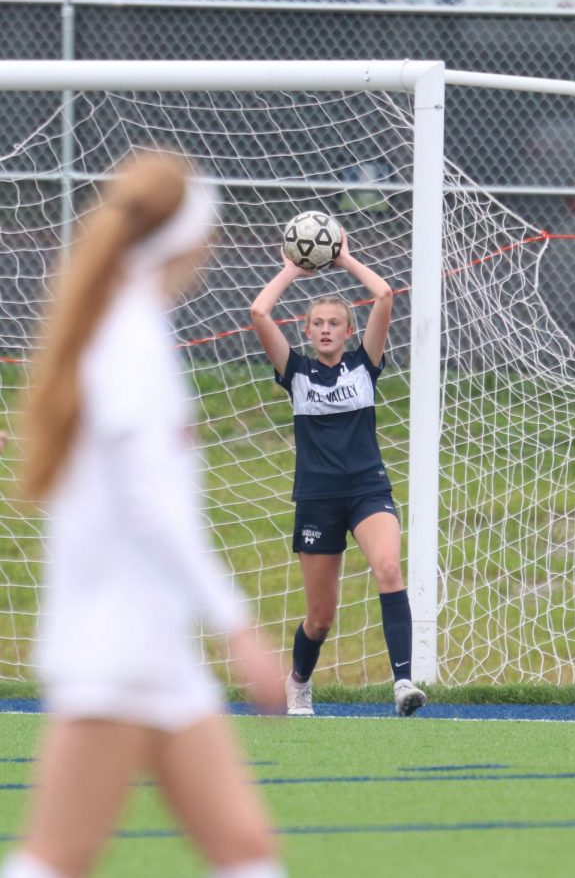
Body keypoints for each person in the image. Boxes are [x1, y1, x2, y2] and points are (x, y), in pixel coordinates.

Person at [1, 153, 286, 878]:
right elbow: (152, 506)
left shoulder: (120, 326)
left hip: (154, 647)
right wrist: (238, 627)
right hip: (119, 648)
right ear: (186, 241)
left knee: (245, 848)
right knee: (56, 859)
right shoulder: (131, 342)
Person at [251, 229, 427, 718]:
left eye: (334, 323)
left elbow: (384, 295)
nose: (326, 329)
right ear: (307, 331)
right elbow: (259, 313)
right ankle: (300, 682)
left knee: (389, 569)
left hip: (368, 490)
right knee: (321, 617)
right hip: (317, 499)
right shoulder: (297, 372)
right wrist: (294, 266)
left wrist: (344, 258)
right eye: (318, 323)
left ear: (348, 331)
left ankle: (403, 683)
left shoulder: (364, 366)